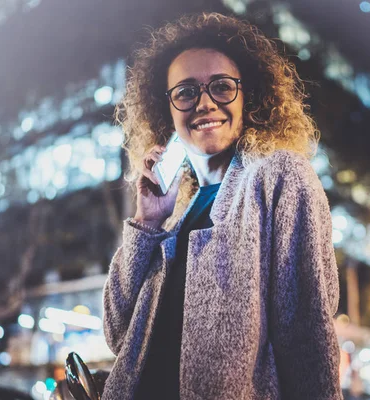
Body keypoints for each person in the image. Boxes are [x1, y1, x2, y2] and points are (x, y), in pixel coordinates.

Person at [102, 12, 342, 400]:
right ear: (168, 110)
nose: (205, 103)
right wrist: (147, 222)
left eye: (222, 87)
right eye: (185, 92)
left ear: (248, 97)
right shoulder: (176, 215)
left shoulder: (279, 177)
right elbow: (118, 336)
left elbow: (308, 339)